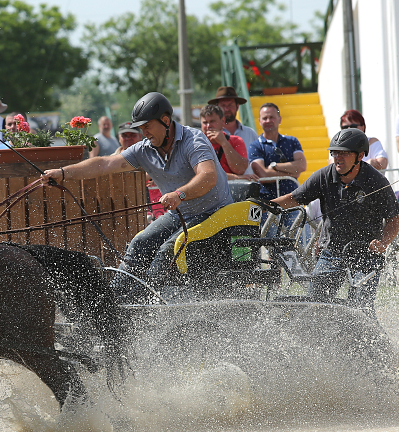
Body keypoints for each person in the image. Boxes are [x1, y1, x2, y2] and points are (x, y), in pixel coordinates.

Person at [43, 92, 232, 303]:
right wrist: (63, 173)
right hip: (182, 214)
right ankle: (113, 302)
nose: (144, 132)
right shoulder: (144, 149)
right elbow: (105, 164)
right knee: (139, 242)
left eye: (147, 126)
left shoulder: (193, 140)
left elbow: (208, 176)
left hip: (215, 213)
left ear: (166, 121)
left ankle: (148, 306)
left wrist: (180, 194)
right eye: (141, 128)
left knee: (167, 250)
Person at [270, 129, 399, 310]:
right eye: (335, 152)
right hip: (332, 253)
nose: (338, 157)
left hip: (365, 255)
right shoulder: (324, 175)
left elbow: (394, 220)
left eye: (344, 153)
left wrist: (383, 243)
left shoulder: (376, 181)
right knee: (315, 306)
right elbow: (293, 198)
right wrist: (262, 206)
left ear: (360, 155)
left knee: (361, 310)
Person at [249, 103, 307, 200]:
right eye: (264, 118)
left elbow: (302, 165)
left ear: (279, 119)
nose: (268, 121)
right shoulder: (255, 146)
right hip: (267, 202)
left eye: (272, 117)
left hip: (292, 199)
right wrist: (291, 175)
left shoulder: (292, 141)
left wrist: (274, 166)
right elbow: (263, 175)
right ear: (259, 121)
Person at [199, 104, 249, 177]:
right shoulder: (197, 143)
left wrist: (224, 143)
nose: (208, 125)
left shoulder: (236, 140)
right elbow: (205, 175)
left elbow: (240, 169)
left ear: (223, 120)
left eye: (212, 121)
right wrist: (235, 177)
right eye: (205, 122)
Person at [207, 86, 259, 151]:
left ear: (237, 107)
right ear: (217, 108)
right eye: (223, 105)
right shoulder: (211, 136)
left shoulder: (250, 134)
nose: (226, 109)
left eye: (230, 105)